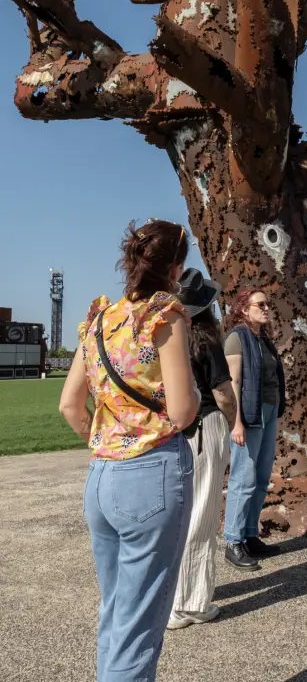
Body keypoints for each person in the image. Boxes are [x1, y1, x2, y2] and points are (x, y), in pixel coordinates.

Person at [59, 219, 200, 682]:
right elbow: (181, 411)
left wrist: (107, 440)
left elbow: (69, 405)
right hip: (151, 472)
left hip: (101, 476)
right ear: (176, 268)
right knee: (139, 626)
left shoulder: (100, 317)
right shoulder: (164, 313)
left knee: (116, 611)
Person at [168, 268, 237, 630]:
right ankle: (190, 602)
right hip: (205, 423)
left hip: (174, 428)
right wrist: (232, 420)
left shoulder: (166, 338)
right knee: (203, 513)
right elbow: (223, 394)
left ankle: (175, 593)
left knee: (179, 513)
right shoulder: (206, 341)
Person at [222, 289, 286, 570]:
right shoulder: (238, 338)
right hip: (249, 415)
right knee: (243, 478)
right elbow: (233, 382)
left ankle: (249, 534)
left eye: (267, 304)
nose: (266, 308)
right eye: (260, 304)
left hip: (269, 411)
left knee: (260, 478)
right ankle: (233, 541)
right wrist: (237, 422)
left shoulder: (263, 340)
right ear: (244, 310)